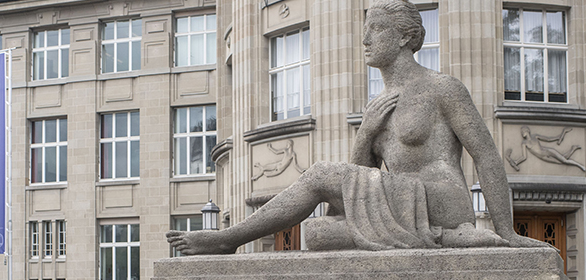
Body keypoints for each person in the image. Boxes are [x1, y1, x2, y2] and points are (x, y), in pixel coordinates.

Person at [168, 0, 545, 255]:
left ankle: (228, 239)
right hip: (398, 204)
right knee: (317, 235)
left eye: (375, 30)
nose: (365, 39)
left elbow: (486, 155)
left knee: (318, 176)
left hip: (441, 200)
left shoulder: (441, 87)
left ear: (404, 37)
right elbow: (358, 180)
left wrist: (506, 230)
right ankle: (448, 240)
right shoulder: (376, 107)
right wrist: (366, 132)